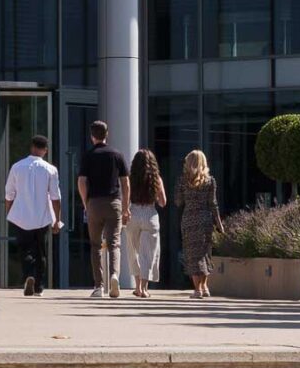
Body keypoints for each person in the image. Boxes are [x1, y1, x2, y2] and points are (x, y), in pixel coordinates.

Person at [75, 120, 130, 298]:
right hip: (114, 202)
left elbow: (81, 181)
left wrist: (86, 203)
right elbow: (125, 183)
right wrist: (125, 207)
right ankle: (114, 275)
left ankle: (99, 286)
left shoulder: (88, 155)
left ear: (92, 136)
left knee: (96, 245)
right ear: (107, 134)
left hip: (94, 203)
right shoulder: (117, 154)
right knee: (114, 243)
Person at [2, 133, 62, 296]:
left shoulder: (17, 167)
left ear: (32, 147)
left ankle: (29, 274)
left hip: (21, 216)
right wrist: (57, 220)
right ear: (45, 150)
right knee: (41, 251)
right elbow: (55, 197)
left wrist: (9, 212)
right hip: (42, 217)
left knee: (25, 250)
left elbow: (9, 194)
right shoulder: (50, 169)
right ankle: (39, 287)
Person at [177, 149, 220, 299]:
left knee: (192, 255)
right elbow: (213, 204)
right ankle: (205, 287)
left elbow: (178, 201)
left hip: (189, 220)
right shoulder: (210, 181)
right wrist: (219, 223)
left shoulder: (183, 180)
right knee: (205, 253)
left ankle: (197, 289)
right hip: (205, 219)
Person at [124, 149, 168, 298]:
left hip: (134, 214)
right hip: (150, 215)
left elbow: (126, 198)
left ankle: (137, 287)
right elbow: (163, 202)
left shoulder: (130, 179)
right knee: (148, 253)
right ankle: (144, 288)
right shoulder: (157, 179)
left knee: (133, 252)